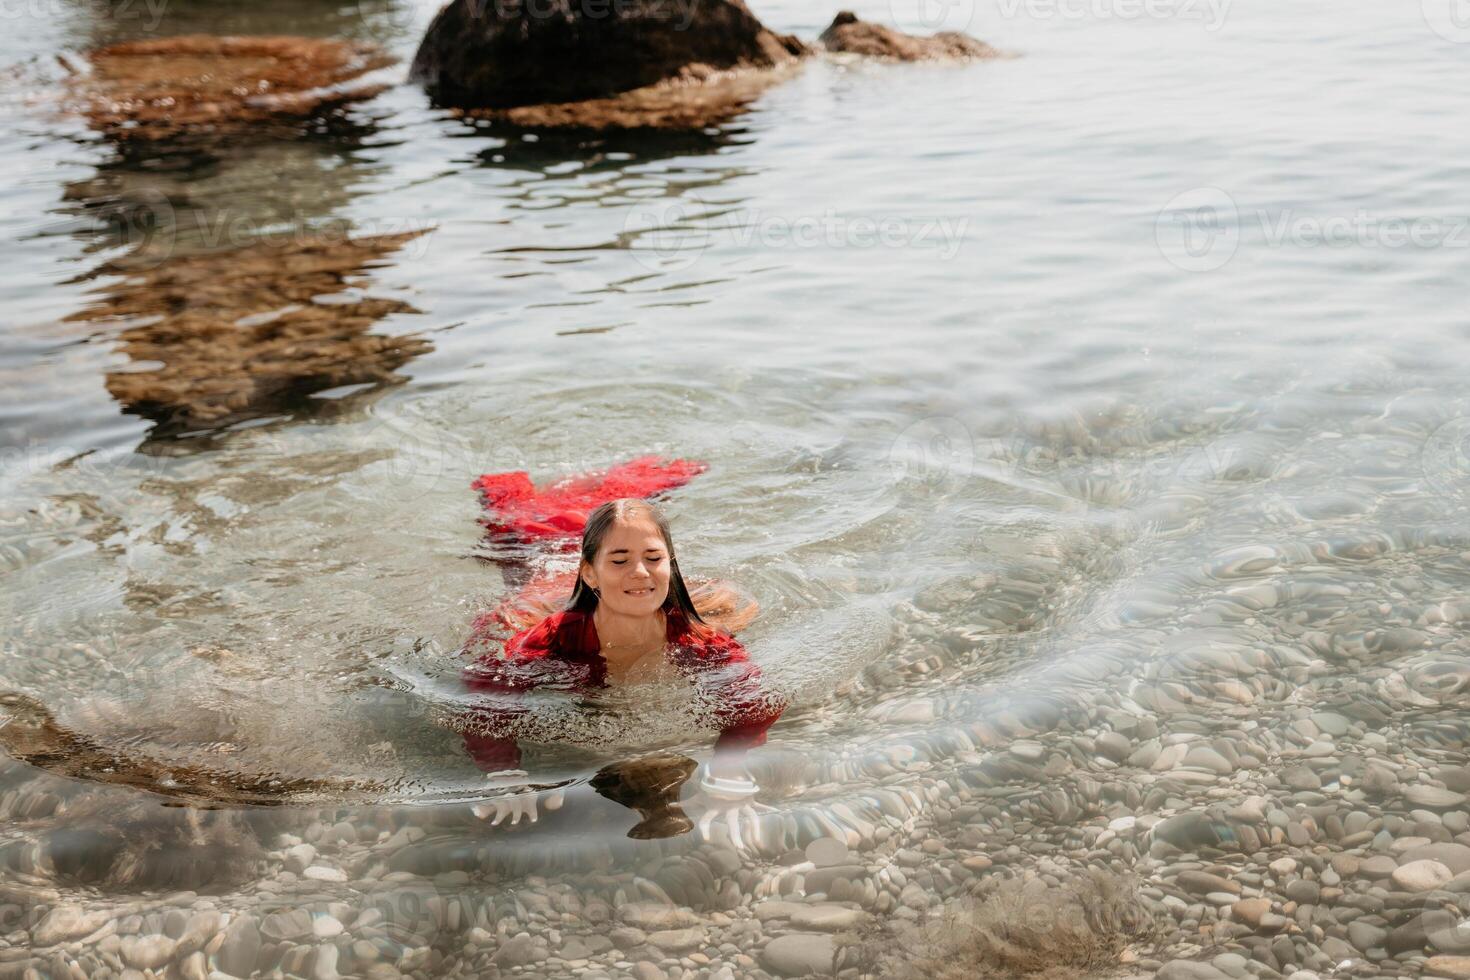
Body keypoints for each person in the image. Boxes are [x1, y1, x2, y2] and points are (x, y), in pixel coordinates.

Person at [457, 496, 785, 847]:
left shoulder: (697, 640)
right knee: (506, 507)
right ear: (589, 573)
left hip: (576, 565)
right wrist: (503, 769)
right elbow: (485, 693)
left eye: (654, 558)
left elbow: (754, 704)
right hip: (539, 574)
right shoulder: (555, 638)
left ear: (670, 566)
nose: (641, 572)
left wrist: (729, 766)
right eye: (620, 560)